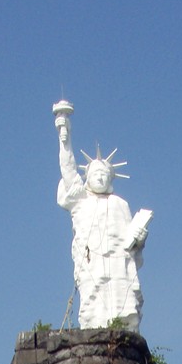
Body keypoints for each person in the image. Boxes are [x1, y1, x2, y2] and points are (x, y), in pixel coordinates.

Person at [53, 99, 152, 331]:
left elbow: (133, 245)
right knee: (93, 303)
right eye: (95, 173)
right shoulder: (81, 200)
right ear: (87, 177)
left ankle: (122, 333)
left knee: (122, 301)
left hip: (118, 263)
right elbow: (68, 170)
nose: (99, 177)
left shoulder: (120, 204)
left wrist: (139, 235)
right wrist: (63, 137)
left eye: (104, 174)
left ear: (110, 179)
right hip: (92, 262)